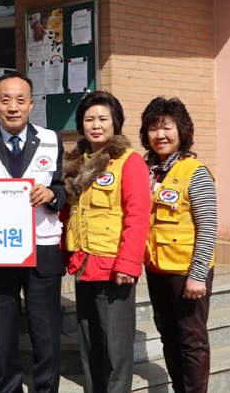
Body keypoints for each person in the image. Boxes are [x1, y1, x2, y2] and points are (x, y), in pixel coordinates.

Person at [0, 71, 67, 393]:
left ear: (31, 104)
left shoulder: (52, 139)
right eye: (5, 100)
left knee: (46, 332)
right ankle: (7, 388)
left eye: (20, 100)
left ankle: (46, 389)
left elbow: (64, 189)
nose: (13, 107)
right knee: (3, 331)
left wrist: (52, 195)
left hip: (42, 248)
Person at [61, 91, 150, 393]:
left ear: (116, 122)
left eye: (103, 118)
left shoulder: (128, 161)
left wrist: (128, 263)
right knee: (90, 345)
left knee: (115, 349)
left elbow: (138, 215)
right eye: (89, 119)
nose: (95, 125)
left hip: (114, 268)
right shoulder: (75, 162)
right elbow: (71, 212)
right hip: (84, 265)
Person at [140, 97, 217, 393]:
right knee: (169, 336)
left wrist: (198, 275)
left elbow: (208, 226)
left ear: (181, 131)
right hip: (156, 267)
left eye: (167, 127)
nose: (160, 135)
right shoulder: (147, 170)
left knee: (192, 340)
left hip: (186, 272)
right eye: (153, 128)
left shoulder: (194, 171)